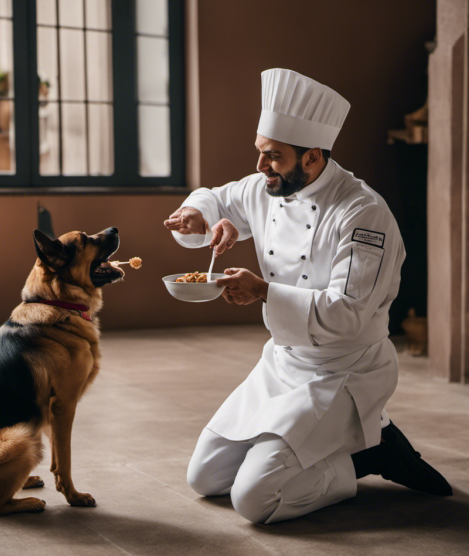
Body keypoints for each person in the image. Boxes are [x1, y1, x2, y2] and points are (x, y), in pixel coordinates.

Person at [164, 68, 452, 524]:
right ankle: (319, 445)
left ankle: (368, 455)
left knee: (254, 500)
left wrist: (262, 291)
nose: (260, 167)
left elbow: (350, 315)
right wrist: (197, 214)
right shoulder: (269, 186)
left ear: (313, 157)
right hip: (282, 363)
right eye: (259, 153)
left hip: (344, 370)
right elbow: (216, 197)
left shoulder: (362, 215)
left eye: (272, 157)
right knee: (205, 478)